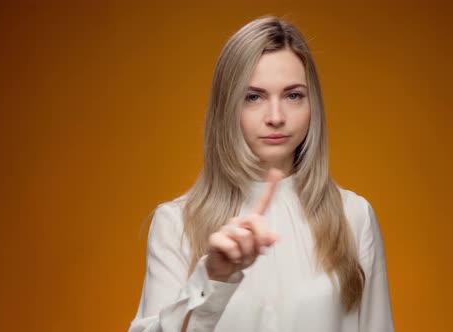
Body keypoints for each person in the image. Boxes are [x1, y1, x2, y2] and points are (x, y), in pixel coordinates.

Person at [128, 16, 394, 332]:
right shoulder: (176, 224)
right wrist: (212, 277)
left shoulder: (355, 217)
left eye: (293, 95)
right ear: (227, 106)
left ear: (313, 105)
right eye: (253, 96)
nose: (276, 117)